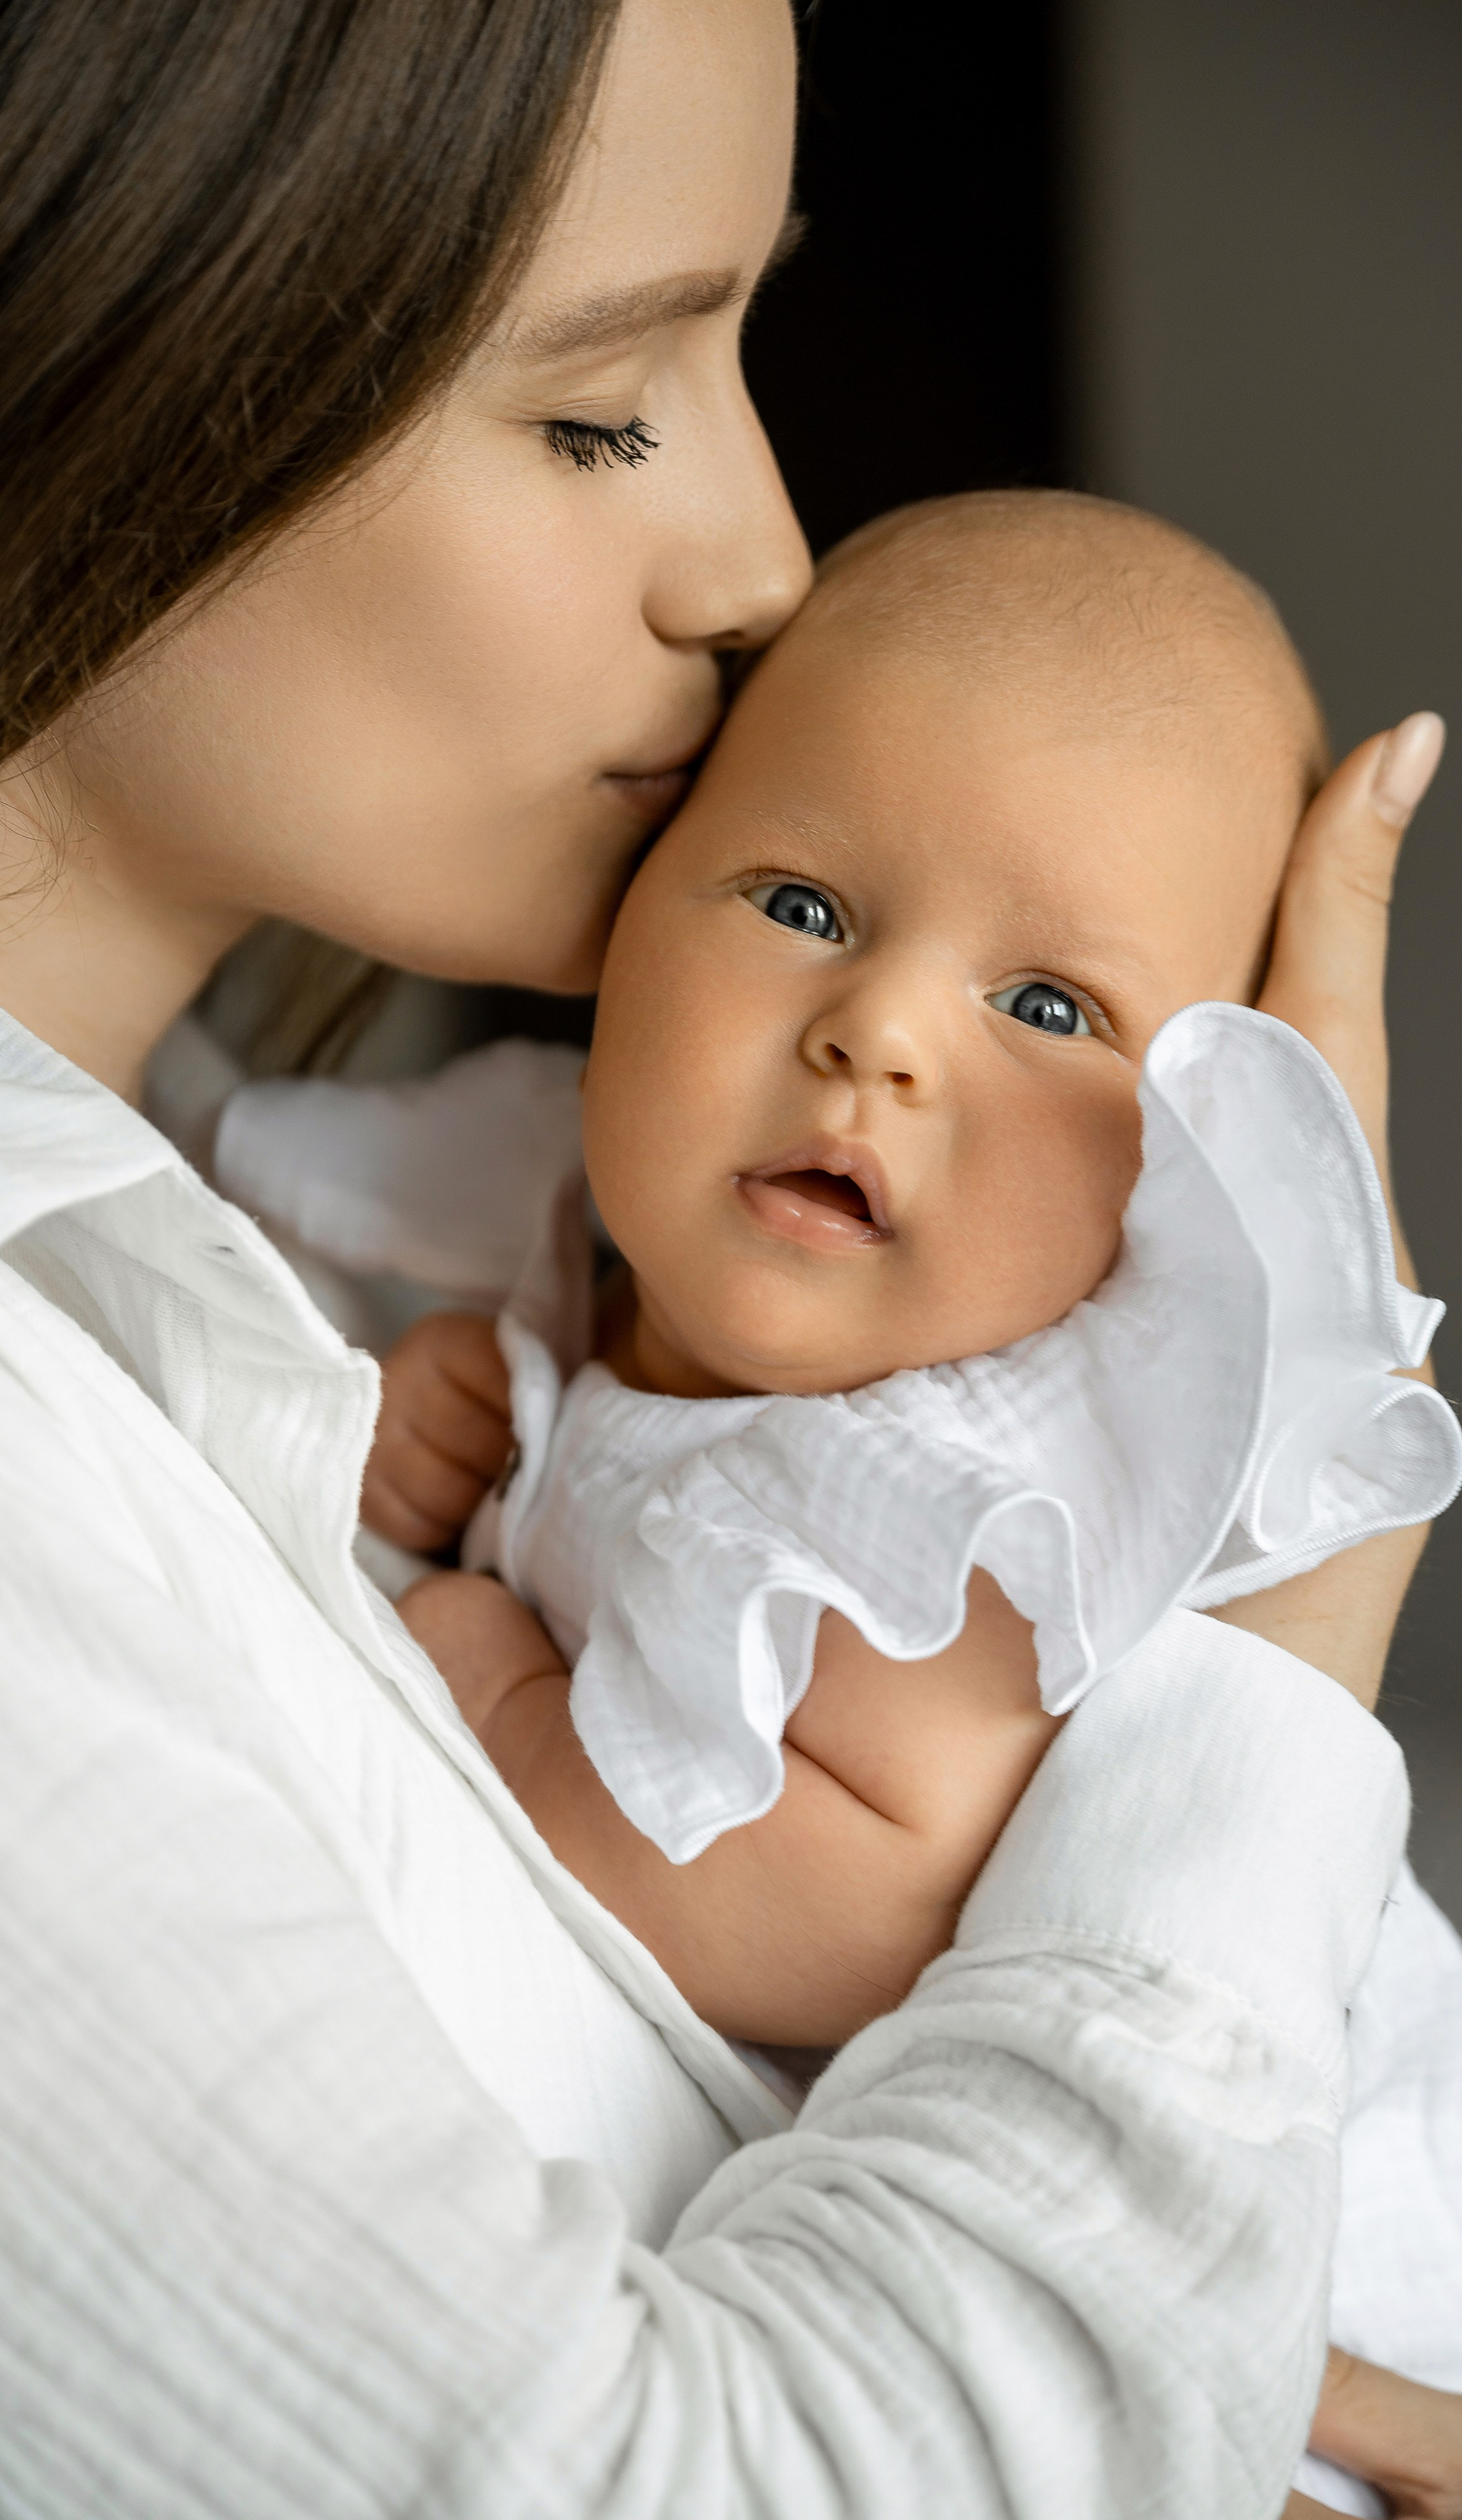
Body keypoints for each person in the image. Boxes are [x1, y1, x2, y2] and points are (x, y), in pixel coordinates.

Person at [0, 1, 1446, 2512]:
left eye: (741, 344)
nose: (767, 560)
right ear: (100, 337)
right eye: (600, 407)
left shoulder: (287, 1239)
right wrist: (1286, 1633)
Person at [261, 489, 1460, 2515]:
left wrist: (491, 1685)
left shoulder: (970, 1497)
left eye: (1053, 1008)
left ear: (1196, 1188)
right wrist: (464, 1408)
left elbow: (867, 1901)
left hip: (1308, 2266)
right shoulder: (572, 1247)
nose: (879, 1032)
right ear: (632, 900)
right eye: (803, 904)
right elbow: (603, 1479)